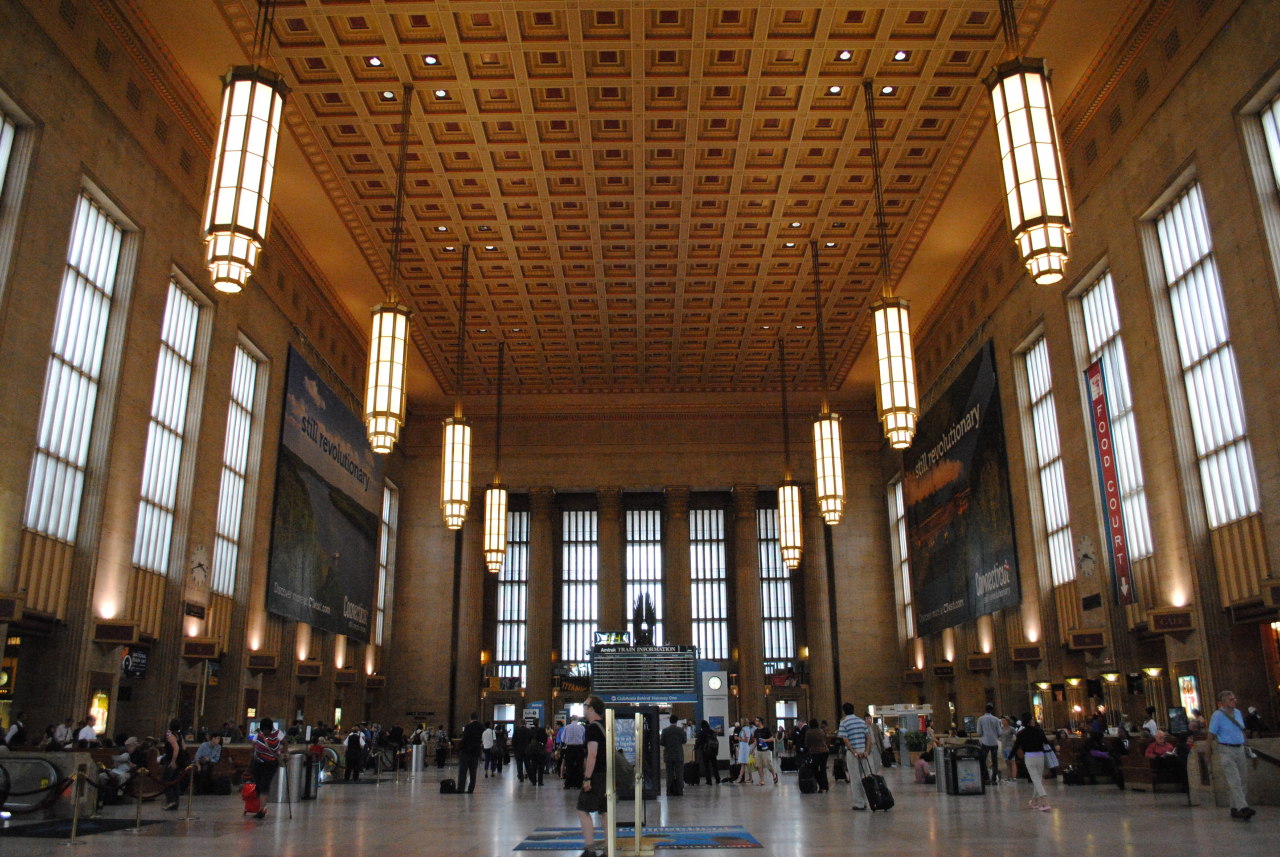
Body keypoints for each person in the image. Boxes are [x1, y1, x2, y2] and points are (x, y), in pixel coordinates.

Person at [1209, 689, 1255, 821]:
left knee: (1242, 779)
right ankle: (1243, 807)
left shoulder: (1238, 713)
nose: (1234, 701)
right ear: (1223, 702)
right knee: (1234, 780)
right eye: (1231, 699)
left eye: (1234, 699)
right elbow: (1211, 734)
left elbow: (1240, 730)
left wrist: (1246, 744)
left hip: (1239, 748)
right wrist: (1208, 751)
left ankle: (1235, 808)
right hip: (1226, 749)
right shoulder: (1217, 715)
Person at [576, 696, 607, 857]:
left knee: (582, 810)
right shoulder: (605, 726)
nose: (583, 708)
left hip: (596, 776)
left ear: (592, 709)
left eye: (585, 705)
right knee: (605, 811)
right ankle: (609, 849)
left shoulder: (593, 728)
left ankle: (590, 849)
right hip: (608, 774)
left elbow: (592, 755)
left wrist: (587, 778)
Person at [250, 717, 285, 818]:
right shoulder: (258, 735)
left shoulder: (278, 734)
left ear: (270, 728)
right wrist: (251, 761)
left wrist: (284, 752)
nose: (265, 732)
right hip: (258, 762)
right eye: (263, 729)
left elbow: (285, 743)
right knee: (258, 785)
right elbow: (253, 748)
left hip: (271, 763)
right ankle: (260, 807)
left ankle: (261, 810)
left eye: (267, 730)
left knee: (265, 784)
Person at [837, 702, 870, 811]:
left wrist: (854, 752)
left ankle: (859, 803)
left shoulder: (844, 723)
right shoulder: (861, 721)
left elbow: (845, 739)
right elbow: (868, 737)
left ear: (844, 711)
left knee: (855, 778)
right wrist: (866, 751)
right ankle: (865, 800)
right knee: (864, 776)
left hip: (853, 753)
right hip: (863, 752)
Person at [1015, 715, 1050, 811]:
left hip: (1030, 757)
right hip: (1040, 756)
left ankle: (1045, 802)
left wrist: (1011, 756)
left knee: (1036, 780)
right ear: (1031, 721)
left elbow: (1017, 746)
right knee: (1038, 779)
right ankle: (1034, 801)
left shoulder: (1021, 733)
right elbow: (1046, 742)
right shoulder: (1039, 731)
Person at [458, 712, 484, 793]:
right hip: (475, 752)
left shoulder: (468, 727)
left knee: (463, 771)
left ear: (470, 718)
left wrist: (460, 748)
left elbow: (464, 739)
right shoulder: (481, 727)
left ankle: (461, 788)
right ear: (477, 718)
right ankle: (470, 789)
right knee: (473, 772)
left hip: (466, 752)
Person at [976, 703, 1002, 785]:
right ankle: (994, 778)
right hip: (994, 742)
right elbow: (999, 732)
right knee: (995, 761)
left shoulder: (981, 719)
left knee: (983, 760)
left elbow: (979, 732)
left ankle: (986, 778)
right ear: (992, 710)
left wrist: (984, 734)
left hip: (985, 742)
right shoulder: (996, 719)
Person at [661, 717, 687, 795]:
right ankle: (679, 791)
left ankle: (669, 791)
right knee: (679, 773)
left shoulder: (665, 730)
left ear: (670, 721)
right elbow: (684, 741)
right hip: (678, 755)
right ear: (677, 721)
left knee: (669, 774)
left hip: (668, 755)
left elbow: (662, 742)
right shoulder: (681, 730)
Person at [803, 718, 829, 792]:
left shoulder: (809, 732)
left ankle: (821, 786)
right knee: (823, 769)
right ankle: (826, 786)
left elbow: (807, 744)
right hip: (825, 751)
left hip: (815, 752)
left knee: (815, 769)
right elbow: (825, 740)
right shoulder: (821, 731)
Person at [562, 716, 586, 788]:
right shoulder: (582, 728)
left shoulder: (567, 727)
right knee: (579, 766)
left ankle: (568, 784)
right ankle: (578, 784)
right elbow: (584, 738)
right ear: (577, 720)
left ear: (571, 720)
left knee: (569, 766)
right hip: (579, 748)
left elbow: (563, 739)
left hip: (570, 748)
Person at [696, 719, 722, 786]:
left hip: (705, 752)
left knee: (707, 767)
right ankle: (718, 780)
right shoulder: (712, 731)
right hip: (713, 751)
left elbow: (699, 741)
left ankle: (709, 781)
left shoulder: (702, 733)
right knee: (715, 766)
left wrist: (695, 747)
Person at [754, 717, 778, 786]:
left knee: (768, 764)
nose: (755, 722)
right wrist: (752, 750)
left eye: (757, 721)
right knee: (759, 766)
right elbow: (756, 742)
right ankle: (762, 780)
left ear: (760, 722)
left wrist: (765, 740)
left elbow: (772, 739)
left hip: (766, 750)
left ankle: (774, 774)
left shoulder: (766, 730)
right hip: (758, 751)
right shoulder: (756, 731)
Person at [731, 718, 754, 783]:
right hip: (744, 747)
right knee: (745, 764)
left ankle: (740, 778)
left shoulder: (744, 729)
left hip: (744, 748)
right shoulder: (747, 729)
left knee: (743, 764)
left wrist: (738, 738)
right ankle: (749, 778)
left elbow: (746, 739)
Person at [524, 722, 547, 786]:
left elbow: (529, 741)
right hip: (541, 752)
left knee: (533, 766)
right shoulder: (542, 731)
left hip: (533, 752)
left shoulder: (532, 731)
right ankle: (540, 781)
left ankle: (534, 781)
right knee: (541, 768)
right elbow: (545, 741)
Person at [999, 716, 1018, 782]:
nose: (1002, 722)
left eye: (1004, 720)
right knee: (1007, 763)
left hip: (1010, 747)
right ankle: (1008, 777)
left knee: (1012, 762)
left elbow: (1017, 735)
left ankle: (1014, 777)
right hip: (1003, 747)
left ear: (1007, 721)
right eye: (1002, 720)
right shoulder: (1001, 729)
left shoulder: (1011, 729)